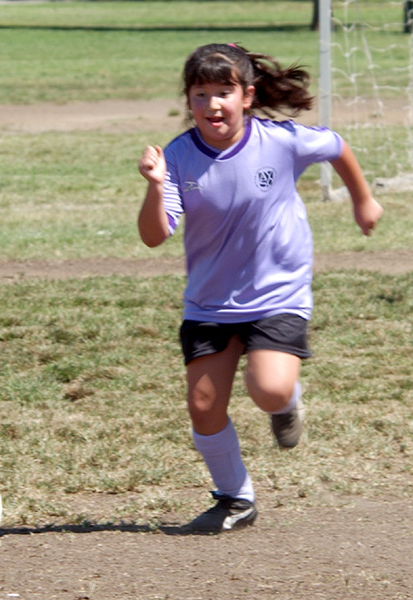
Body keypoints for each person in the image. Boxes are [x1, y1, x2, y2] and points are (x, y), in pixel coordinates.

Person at [137, 43, 383, 533]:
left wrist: (363, 199)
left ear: (247, 96)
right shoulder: (178, 157)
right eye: (200, 94)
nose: (212, 104)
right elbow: (153, 235)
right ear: (188, 100)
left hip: (278, 291)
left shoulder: (281, 141)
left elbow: (336, 146)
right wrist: (154, 185)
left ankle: (286, 401)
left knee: (269, 390)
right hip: (210, 300)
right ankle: (236, 499)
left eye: (223, 92)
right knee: (203, 407)